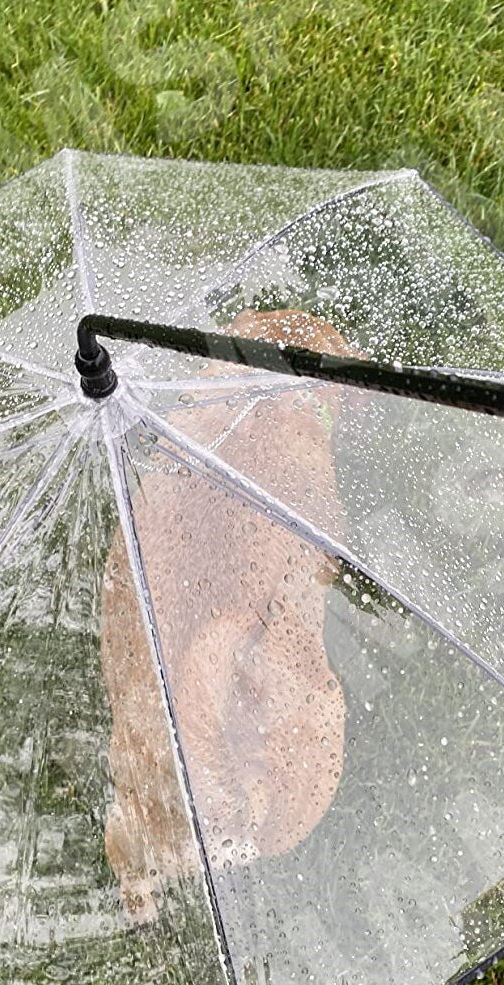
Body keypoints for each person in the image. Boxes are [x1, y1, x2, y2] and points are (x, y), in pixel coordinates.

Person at [100, 308, 362, 923]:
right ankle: (189, 816)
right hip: (246, 765)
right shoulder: (305, 468)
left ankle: (141, 872)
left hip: (180, 729)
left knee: (151, 661)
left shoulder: (189, 427)